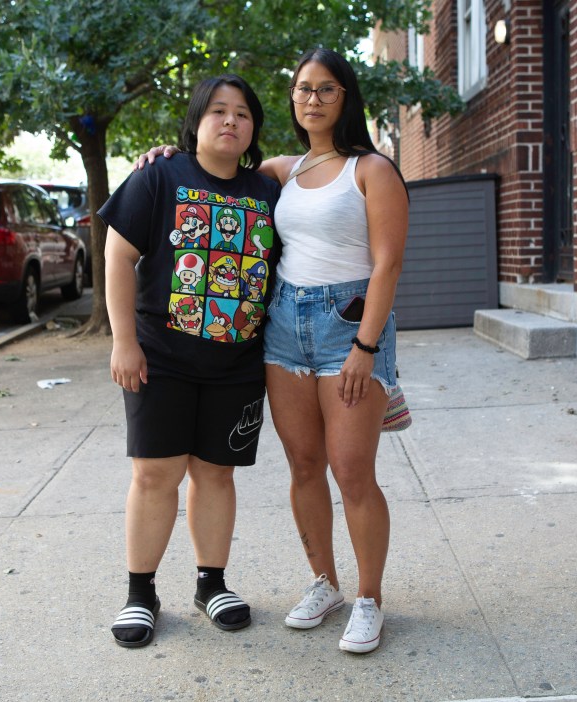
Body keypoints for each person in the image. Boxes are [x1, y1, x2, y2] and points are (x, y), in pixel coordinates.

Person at [137, 48, 408, 654]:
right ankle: (326, 584)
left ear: (347, 96)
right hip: (283, 327)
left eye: (327, 89)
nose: (313, 99)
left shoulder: (371, 169)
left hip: (348, 326)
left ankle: (369, 598)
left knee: (352, 472)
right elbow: (213, 164)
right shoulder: (283, 171)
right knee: (305, 467)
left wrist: (366, 346)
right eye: (303, 89)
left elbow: (388, 263)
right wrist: (165, 157)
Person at [98, 74, 281, 649]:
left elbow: (317, 164)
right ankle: (140, 592)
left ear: (253, 129)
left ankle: (212, 583)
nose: (230, 120)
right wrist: (122, 341)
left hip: (238, 363)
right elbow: (117, 255)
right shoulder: (159, 175)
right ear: (196, 122)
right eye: (218, 111)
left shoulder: (269, 190)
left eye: (243, 113)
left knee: (216, 474)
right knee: (155, 475)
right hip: (161, 359)